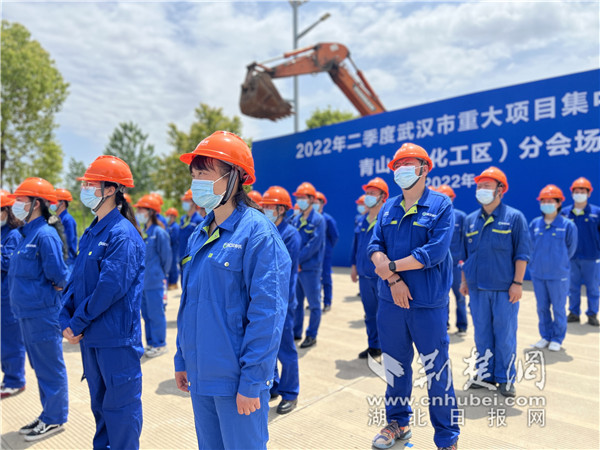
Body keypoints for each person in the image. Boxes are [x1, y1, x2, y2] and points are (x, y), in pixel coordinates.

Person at [174, 130, 291, 449]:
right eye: (194, 174)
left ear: (234, 177)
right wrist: (181, 358)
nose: (197, 182)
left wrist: (253, 381)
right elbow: (189, 303)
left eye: (205, 173)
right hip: (201, 378)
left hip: (237, 382)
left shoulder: (258, 234)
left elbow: (267, 316)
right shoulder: (199, 233)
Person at [367, 143, 460, 450]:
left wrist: (391, 267)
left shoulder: (441, 205)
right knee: (395, 367)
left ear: (424, 169)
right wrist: (393, 280)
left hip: (427, 305)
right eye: (398, 165)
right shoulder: (388, 208)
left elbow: (433, 253)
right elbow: (374, 247)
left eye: (409, 164)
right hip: (391, 304)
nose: (402, 170)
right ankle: (398, 423)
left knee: (437, 372)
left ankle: (447, 438)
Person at [59, 155, 146, 449]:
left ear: (111, 189)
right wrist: (64, 320)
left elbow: (109, 289)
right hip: (92, 339)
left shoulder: (123, 235)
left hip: (116, 341)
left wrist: (77, 322)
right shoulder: (92, 232)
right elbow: (75, 282)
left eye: (90, 184)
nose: (84, 189)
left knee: (120, 413)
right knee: (100, 410)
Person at [460, 166, 531, 398]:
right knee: (482, 335)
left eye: (486, 186)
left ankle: (505, 378)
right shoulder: (470, 220)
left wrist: (518, 283)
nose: (481, 189)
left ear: (500, 190)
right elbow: (465, 256)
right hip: (477, 289)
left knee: (505, 336)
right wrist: (464, 282)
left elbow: (522, 254)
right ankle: (484, 375)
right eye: (479, 186)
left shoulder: (514, 218)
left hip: (504, 290)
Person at [7, 178, 69, 441]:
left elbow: (60, 276)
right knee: (40, 367)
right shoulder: (27, 234)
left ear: (36, 204)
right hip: (27, 313)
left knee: (49, 367)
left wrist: (48, 294)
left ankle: (55, 418)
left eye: (21, 200)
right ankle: (48, 413)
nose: (16, 204)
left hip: (42, 313)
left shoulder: (45, 235)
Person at [261, 186, 301, 415]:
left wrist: (282, 302)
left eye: (270, 206)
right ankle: (274, 385)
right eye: (265, 206)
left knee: (286, 349)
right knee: (270, 347)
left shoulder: (290, 234)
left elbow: (286, 272)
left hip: (282, 300)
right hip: (266, 299)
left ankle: (291, 393)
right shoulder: (266, 230)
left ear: (282, 209)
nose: (266, 209)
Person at [530, 185, 578, 351]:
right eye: (543, 201)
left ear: (558, 203)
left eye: (550, 201)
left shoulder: (567, 225)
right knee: (542, 308)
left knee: (558, 308)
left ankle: (557, 338)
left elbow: (571, 249)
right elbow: (530, 246)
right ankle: (545, 336)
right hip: (538, 274)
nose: (546, 204)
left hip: (558, 275)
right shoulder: (535, 224)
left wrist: (559, 262)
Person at [351, 177, 388, 359]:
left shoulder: (387, 219)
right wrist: (353, 266)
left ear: (383, 197)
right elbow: (356, 246)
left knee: (385, 315)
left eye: (372, 193)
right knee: (370, 315)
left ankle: (389, 348)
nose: (368, 196)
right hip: (364, 277)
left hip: (382, 277)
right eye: (367, 193)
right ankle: (374, 346)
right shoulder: (361, 220)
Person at [135, 195, 172, 358]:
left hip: (155, 281)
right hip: (143, 282)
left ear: (150, 212)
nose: (138, 212)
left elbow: (167, 258)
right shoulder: (144, 232)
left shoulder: (159, 233)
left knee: (156, 314)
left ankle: (160, 344)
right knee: (146, 315)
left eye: (141, 209)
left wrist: (160, 274)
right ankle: (150, 343)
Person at [291, 182, 326, 349]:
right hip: (296, 269)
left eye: (303, 197)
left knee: (314, 304)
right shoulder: (296, 219)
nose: (300, 200)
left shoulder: (318, 220)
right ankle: (296, 332)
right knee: (297, 303)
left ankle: (311, 335)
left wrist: (297, 261)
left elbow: (313, 245)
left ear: (312, 199)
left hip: (310, 269)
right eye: (298, 197)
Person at [562, 177, 600, 326]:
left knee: (593, 288)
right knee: (572, 287)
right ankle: (574, 313)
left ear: (589, 193)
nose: (579, 194)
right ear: (572, 193)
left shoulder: (596, 212)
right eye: (576, 191)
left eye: (583, 191)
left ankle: (592, 314)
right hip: (571, 258)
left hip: (591, 257)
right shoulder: (565, 213)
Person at [0, 190, 26, 399]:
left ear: (7, 211)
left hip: (9, 297)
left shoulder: (13, 235)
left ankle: (15, 380)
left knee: (11, 340)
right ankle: (9, 377)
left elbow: (9, 262)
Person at [436, 185, 468, 336]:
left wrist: (465, 261)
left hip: (456, 264)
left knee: (460, 296)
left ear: (452, 198)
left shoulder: (461, 217)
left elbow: (466, 241)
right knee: (442, 297)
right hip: (440, 265)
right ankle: (444, 323)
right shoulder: (434, 217)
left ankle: (462, 325)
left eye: (447, 197)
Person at [314, 191, 339, 312]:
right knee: (315, 278)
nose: (314, 204)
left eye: (316, 202)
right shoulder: (311, 219)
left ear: (322, 203)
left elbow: (334, 236)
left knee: (326, 277)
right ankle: (316, 301)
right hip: (313, 254)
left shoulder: (328, 219)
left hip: (325, 254)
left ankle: (327, 302)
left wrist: (327, 248)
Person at [179, 189, 203, 281]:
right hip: (182, 256)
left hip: (192, 259)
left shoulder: (199, 220)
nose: (184, 203)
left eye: (187, 201)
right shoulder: (183, 219)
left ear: (193, 203)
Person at [53, 188, 78, 270]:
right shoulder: (57, 219)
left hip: (67, 261)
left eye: (54, 201)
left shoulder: (67, 220)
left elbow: (67, 242)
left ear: (62, 204)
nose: (51, 204)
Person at [165, 207, 181, 290]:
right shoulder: (168, 226)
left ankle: (174, 283)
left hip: (173, 249)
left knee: (173, 266)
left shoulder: (175, 227)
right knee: (169, 266)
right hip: (169, 249)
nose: (168, 217)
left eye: (169, 216)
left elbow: (173, 238)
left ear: (173, 217)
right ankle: (170, 282)